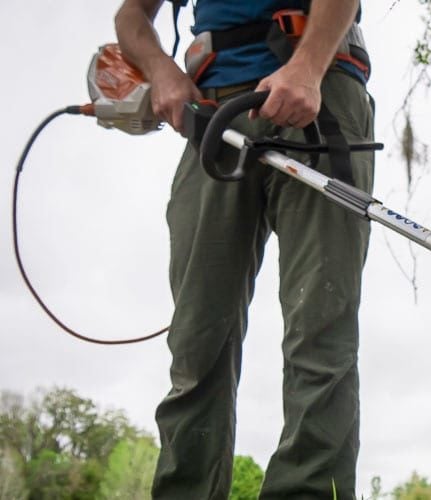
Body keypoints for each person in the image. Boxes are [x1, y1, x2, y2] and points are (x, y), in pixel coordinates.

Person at [114, 0, 374, 498]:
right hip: (212, 114)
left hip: (320, 90)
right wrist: (162, 72)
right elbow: (131, 16)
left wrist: (307, 66)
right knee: (196, 340)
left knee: (321, 328)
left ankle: (306, 491)